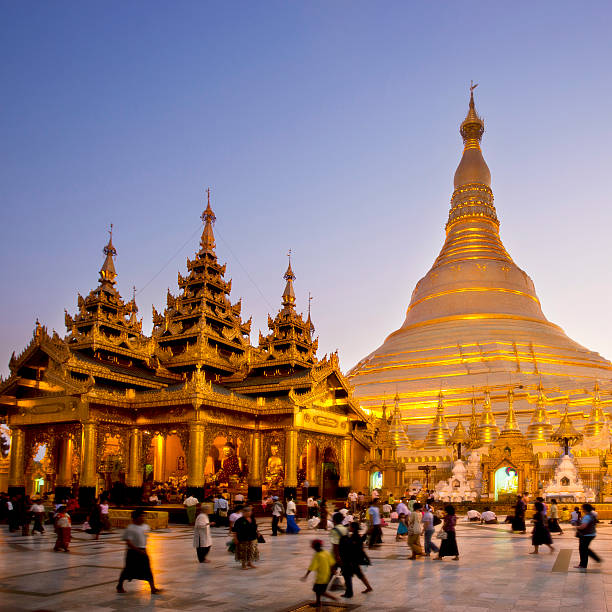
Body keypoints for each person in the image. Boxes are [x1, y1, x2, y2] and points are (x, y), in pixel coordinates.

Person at [116, 508, 162, 594]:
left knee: (147, 569)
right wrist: (138, 550)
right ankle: (119, 586)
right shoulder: (130, 528)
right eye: (141, 516)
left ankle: (153, 588)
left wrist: (143, 549)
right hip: (132, 552)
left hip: (143, 550)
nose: (143, 518)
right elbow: (128, 542)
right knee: (128, 570)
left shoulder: (145, 526)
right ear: (135, 518)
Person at [301, 539, 338, 609]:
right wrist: (333, 571)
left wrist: (306, 575)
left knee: (320, 591)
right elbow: (332, 563)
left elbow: (311, 567)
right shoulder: (326, 553)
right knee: (317, 591)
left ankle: (333, 598)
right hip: (327, 575)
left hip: (321, 577)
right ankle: (318, 602)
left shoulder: (317, 555)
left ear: (314, 547)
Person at [575, 503, 601, 570]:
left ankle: (583, 564)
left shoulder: (587, 516)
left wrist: (577, 527)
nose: (582, 509)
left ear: (585, 509)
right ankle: (596, 559)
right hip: (592, 534)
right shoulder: (592, 514)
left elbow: (583, 526)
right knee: (585, 549)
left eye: (582, 508)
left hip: (586, 535)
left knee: (583, 550)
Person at [232, 506, 260, 570]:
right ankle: (243, 564)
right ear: (243, 512)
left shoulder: (253, 519)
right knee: (243, 551)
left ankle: (249, 563)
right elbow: (235, 530)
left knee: (252, 550)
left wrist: (258, 532)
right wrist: (235, 538)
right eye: (247, 512)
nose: (249, 513)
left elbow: (255, 527)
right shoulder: (239, 521)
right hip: (243, 538)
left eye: (250, 511)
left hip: (252, 537)